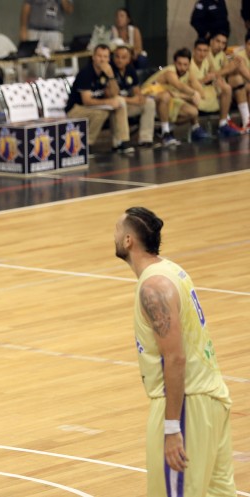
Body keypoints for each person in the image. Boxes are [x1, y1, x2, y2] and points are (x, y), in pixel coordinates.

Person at [113, 206, 236, 497]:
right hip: (211, 399)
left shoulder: (153, 287)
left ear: (129, 240)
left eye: (117, 231)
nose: (114, 236)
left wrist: (171, 426)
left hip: (187, 405)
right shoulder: (171, 270)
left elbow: (175, 357)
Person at [65, 44, 134, 153]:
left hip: (95, 107)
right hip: (76, 108)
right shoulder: (86, 73)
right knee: (101, 113)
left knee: (119, 102)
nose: (102, 59)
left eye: (105, 57)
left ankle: (120, 141)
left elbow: (115, 94)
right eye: (99, 56)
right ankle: (86, 144)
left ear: (109, 58)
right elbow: (87, 101)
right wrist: (108, 102)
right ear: (93, 57)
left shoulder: (106, 71)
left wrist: (111, 76)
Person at [142, 48, 210, 144]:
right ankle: (165, 133)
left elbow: (201, 93)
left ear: (189, 65)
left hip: (167, 101)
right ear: (174, 63)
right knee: (166, 96)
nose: (182, 67)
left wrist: (192, 95)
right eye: (179, 64)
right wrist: (193, 93)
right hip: (148, 98)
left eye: (185, 64)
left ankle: (174, 128)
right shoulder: (170, 72)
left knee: (193, 112)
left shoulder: (188, 74)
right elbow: (179, 85)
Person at [189, 37, 241, 137]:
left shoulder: (208, 60)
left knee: (226, 88)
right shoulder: (188, 63)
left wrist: (217, 80)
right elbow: (187, 84)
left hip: (206, 90)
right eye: (199, 50)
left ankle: (223, 124)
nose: (202, 54)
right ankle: (195, 128)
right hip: (193, 91)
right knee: (193, 93)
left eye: (205, 51)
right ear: (194, 50)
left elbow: (213, 73)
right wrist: (204, 80)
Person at [112, 45, 156, 147]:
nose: (119, 60)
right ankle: (121, 141)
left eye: (123, 57)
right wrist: (132, 100)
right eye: (117, 57)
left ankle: (145, 139)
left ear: (129, 59)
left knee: (149, 102)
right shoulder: (110, 70)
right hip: (115, 107)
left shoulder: (130, 70)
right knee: (119, 102)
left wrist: (140, 97)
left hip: (127, 104)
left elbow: (137, 92)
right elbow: (113, 96)